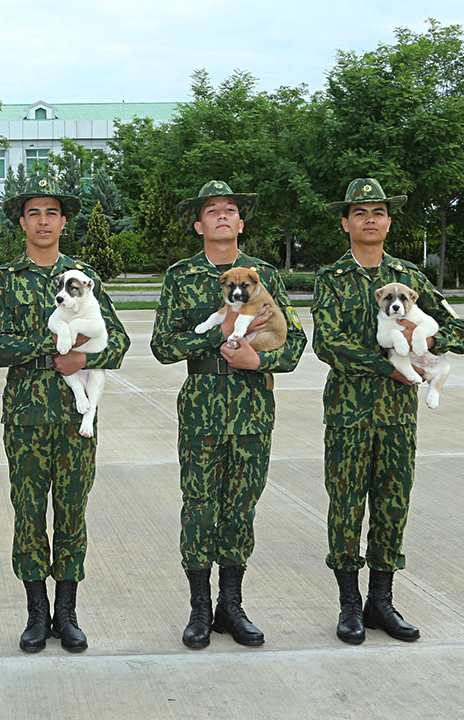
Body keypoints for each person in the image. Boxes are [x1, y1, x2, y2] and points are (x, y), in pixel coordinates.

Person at [149, 180, 306, 649]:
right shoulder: (181, 276)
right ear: (199, 225)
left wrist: (259, 359)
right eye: (211, 210)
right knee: (199, 508)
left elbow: (294, 341)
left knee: (241, 508)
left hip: (253, 408)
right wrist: (215, 339)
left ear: (240, 222)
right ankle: (199, 608)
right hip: (202, 405)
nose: (221, 216)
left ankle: (231, 606)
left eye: (230, 210)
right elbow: (162, 345)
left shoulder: (264, 275)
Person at [312, 178, 464, 644]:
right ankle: (349, 605)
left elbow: (457, 329)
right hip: (348, 413)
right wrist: (388, 368)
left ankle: (382, 601)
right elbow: (328, 343)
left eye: (378, 211)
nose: (371, 219)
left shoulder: (410, 277)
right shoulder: (332, 278)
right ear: (346, 223)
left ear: (389, 221)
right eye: (360, 212)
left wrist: (428, 342)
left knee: (392, 505)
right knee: (345, 508)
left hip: (399, 417)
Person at [0, 175, 129, 653]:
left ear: (64, 221)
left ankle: (66, 612)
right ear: (22, 222)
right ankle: (35, 613)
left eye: (51, 212)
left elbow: (119, 339)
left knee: (71, 514)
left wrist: (83, 359)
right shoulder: (5, 280)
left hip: (75, 417)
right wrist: (50, 344)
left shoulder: (84, 278)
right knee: (28, 516)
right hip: (25, 417)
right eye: (33, 213)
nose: (42, 221)